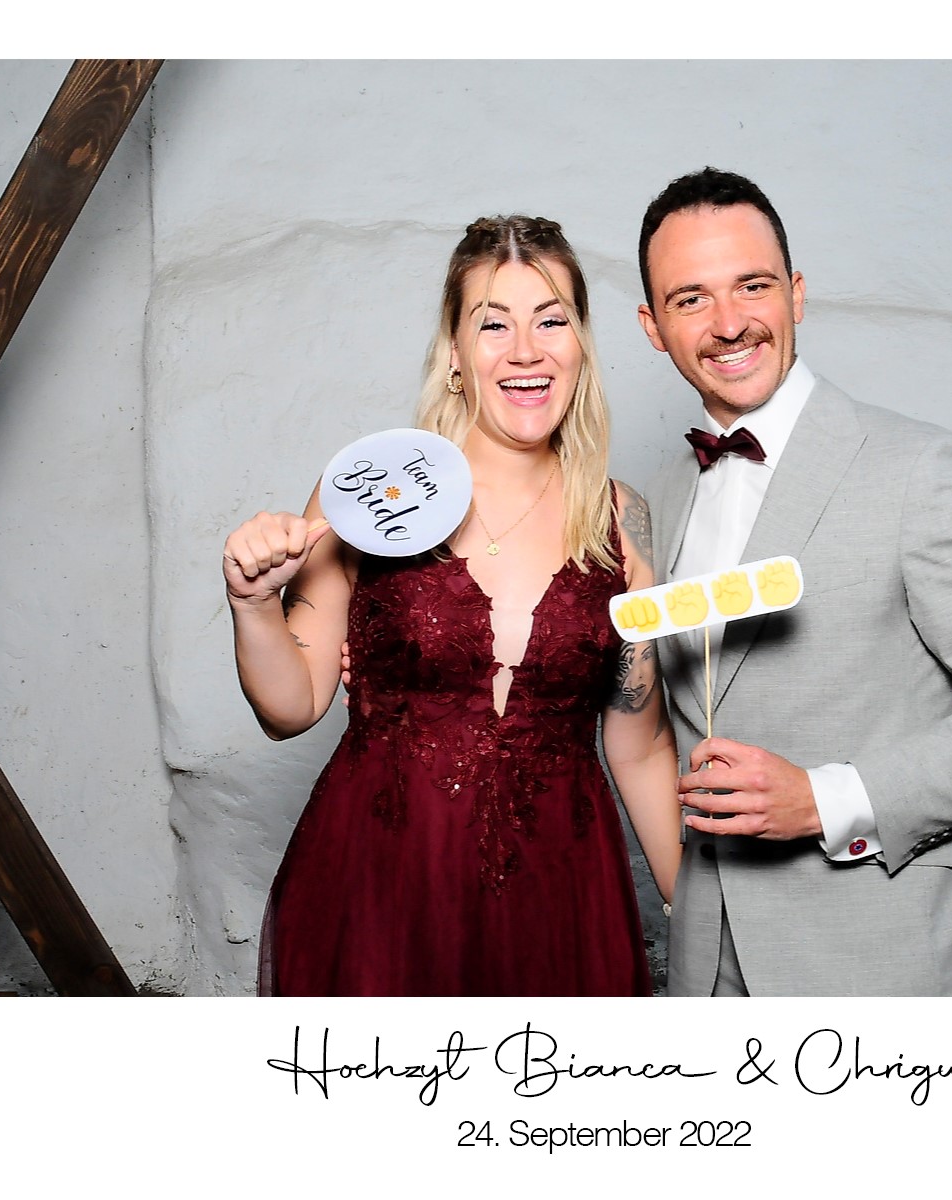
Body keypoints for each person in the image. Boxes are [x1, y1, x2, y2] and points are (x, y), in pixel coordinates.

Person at [634, 168, 952, 996]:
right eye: (691, 298)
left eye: (753, 285)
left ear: (797, 293)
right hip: (709, 967)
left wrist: (825, 798)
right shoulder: (659, 500)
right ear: (653, 326)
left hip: (883, 959)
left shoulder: (921, 468)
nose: (729, 323)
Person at [224, 216, 682, 996]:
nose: (526, 349)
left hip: (561, 898)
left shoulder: (621, 519)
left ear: (580, 345)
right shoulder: (368, 496)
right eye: (493, 324)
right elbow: (290, 707)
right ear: (455, 353)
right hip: (382, 888)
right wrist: (253, 601)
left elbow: (639, 747)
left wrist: (704, 923)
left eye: (551, 321)